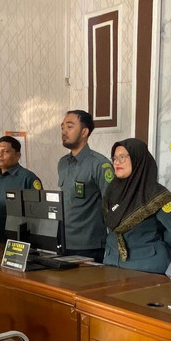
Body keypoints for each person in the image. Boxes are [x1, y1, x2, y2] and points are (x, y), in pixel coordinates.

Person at [103, 139, 171, 273]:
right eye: (115, 158)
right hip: (112, 264)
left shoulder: (155, 194)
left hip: (147, 267)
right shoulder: (112, 191)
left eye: (122, 157)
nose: (117, 162)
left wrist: (156, 246)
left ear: (137, 159)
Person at [57, 110, 112, 261]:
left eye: (69, 127)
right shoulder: (62, 163)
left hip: (89, 245)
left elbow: (111, 205)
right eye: (62, 127)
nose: (64, 131)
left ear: (84, 132)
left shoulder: (100, 164)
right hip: (63, 242)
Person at [0, 135, 40, 241]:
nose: (0, 155)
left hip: (17, 241)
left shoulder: (28, 178)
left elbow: (37, 213)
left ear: (18, 155)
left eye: (5, 151)